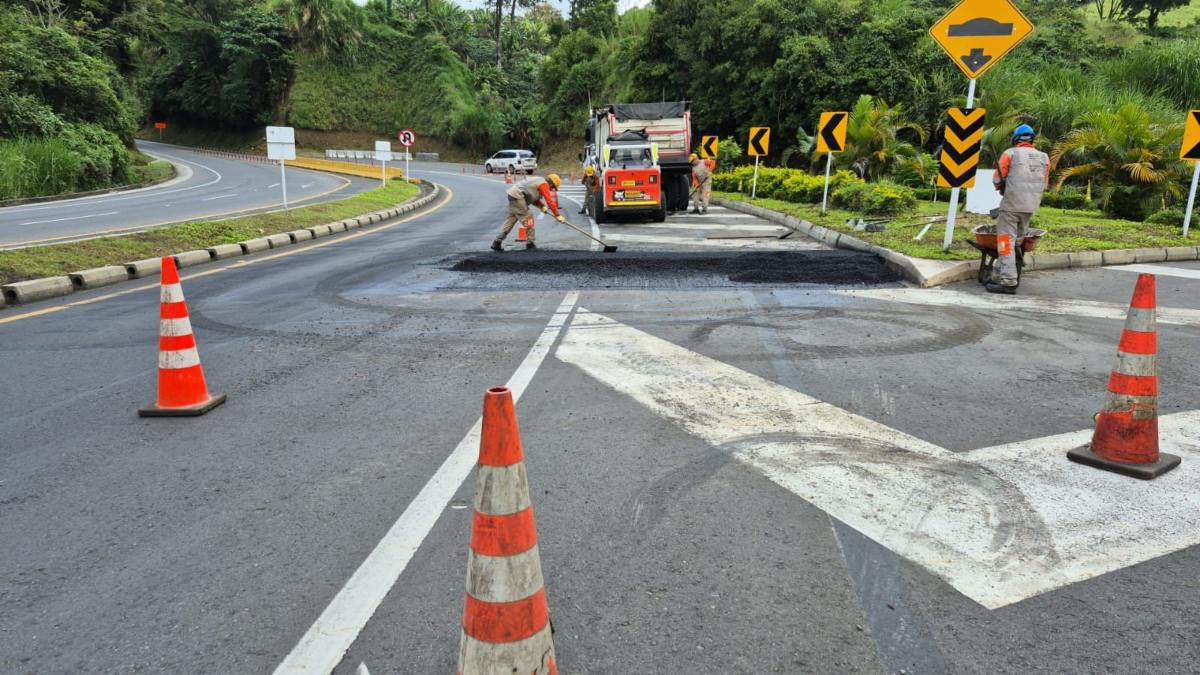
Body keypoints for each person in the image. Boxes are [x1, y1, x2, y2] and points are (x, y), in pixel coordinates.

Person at [989, 124, 1050, 295]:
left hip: (1011, 206)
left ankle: (1008, 281)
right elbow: (1044, 185)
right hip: (1030, 207)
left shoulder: (1010, 153)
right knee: (1016, 242)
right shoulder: (1044, 158)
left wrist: (1002, 185)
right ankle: (999, 274)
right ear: (1032, 139)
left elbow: (996, 179)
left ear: (1016, 139)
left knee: (1005, 242)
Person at [492, 173, 566, 251]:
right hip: (518, 196)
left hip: (513, 196)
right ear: (551, 184)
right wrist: (557, 215)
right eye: (553, 187)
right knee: (528, 217)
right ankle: (530, 244)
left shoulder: (538, 180)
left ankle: (497, 242)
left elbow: (531, 195)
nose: (551, 189)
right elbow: (549, 201)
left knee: (510, 221)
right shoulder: (544, 184)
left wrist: (541, 206)